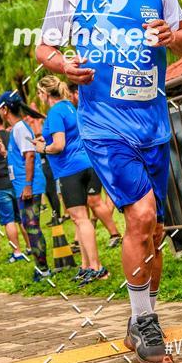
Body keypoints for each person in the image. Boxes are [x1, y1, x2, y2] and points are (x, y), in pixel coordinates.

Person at [36, 0, 182, 363]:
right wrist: (65, 65)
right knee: (140, 216)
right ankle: (147, 327)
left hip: (153, 123)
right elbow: (43, 47)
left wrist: (173, 35)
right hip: (104, 126)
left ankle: (141, 317)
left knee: (155, 231)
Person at [36, 75, 108, 286]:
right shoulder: (69, 106)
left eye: (39, 93)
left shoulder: (55, 112)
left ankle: (97, 268)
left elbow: (59, 145)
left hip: (70, 170)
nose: (39, 97)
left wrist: (43, 148)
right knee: (80, 218)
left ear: (46, 94)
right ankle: (86, 266)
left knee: (80, 219)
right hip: (86, 164)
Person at [0, 92, 51, 281]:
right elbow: (20, 158)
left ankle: (43, 269)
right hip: (21, 185)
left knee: (32, 226)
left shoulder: (19, 129)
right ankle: (41, 266)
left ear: (6, 109)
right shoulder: (16, 129)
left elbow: (30, 156)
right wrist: (5, 154)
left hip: (28, 186)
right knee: (29, 224)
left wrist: (27, 185)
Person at [69, 82, 121, 247]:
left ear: (76, 94)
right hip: (90, 160)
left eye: (71, 95)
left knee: (94, 201)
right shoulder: (78, 111)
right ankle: (79, 240)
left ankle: (115, 234)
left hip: (98, 159)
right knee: (87, 203)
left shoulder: (91, 108)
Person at [0, 113, 30, 261]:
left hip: (0, 182)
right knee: (21, 218)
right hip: (15, 180)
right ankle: (30, 247)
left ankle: (17, 252)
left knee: (8, 220)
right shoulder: (11, 134)